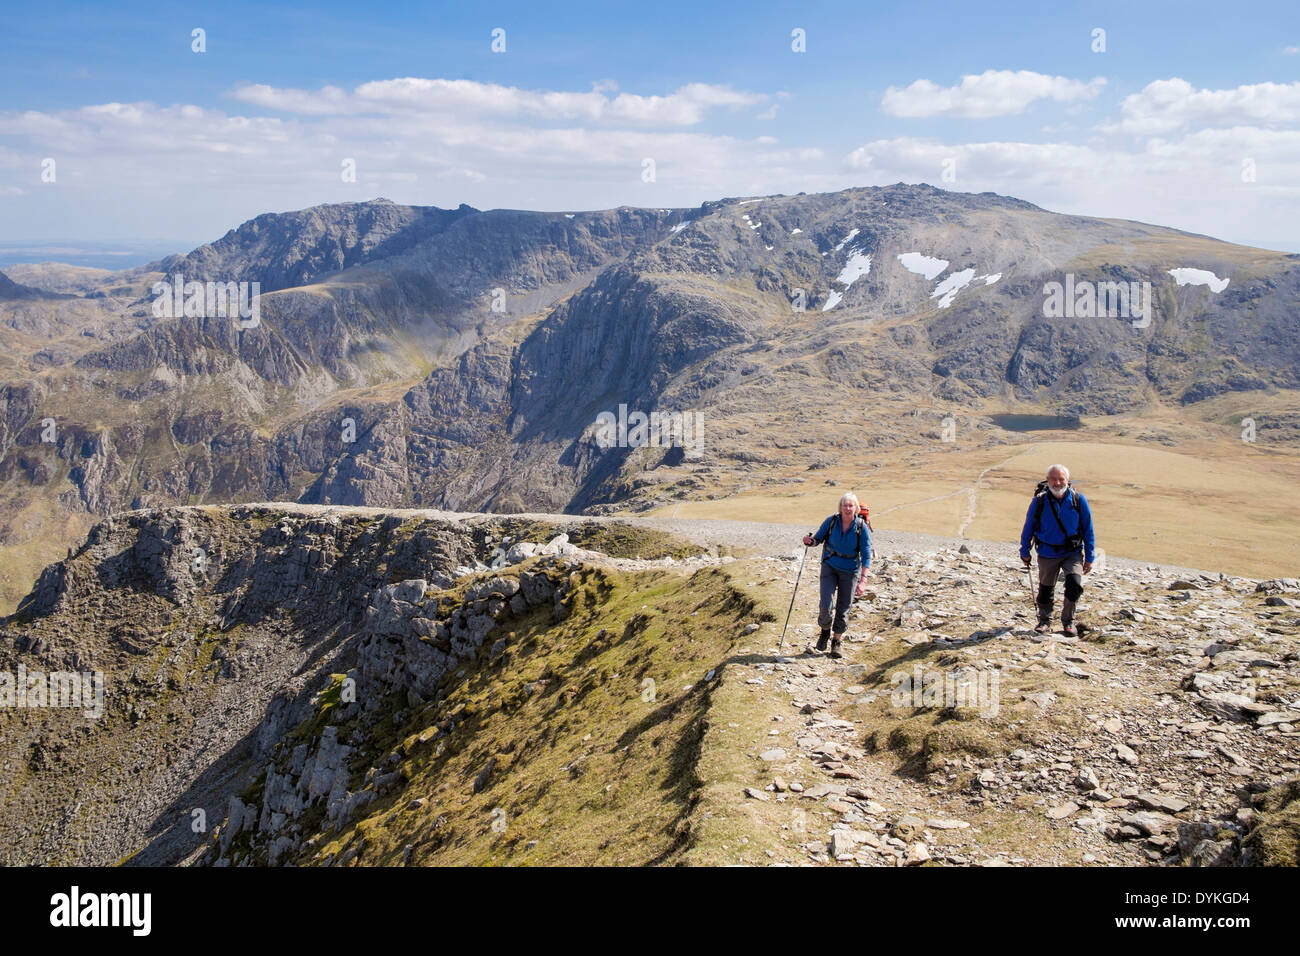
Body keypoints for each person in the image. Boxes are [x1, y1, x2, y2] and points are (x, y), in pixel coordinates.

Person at [1019, 464, 1095, 636]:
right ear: (1047, 480)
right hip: (1047, 552)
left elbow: (1088, 528)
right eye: (1053, 479)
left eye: (1061, 479)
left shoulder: (1078, 500)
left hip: (1072, 552)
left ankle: (1068, 621)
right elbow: (1028, 527)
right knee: (1046, 589)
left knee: (1074, 584)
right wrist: (1024, 551)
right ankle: (1044, 621)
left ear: (1068, 480)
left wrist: (1090, 557)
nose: (1058, 482)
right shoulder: (1039, 501)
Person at [802, 492, 871, 658]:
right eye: (845, 505)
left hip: (851, 570)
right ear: (840, 507)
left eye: (851, 505)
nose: (847, 508)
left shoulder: (861, 527)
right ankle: (825, 631)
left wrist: (863, 580)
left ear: (856, 508)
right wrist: (810, 541)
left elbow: (867, 554)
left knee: (843, 607)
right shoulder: (831, 521)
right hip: (830, 566)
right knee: (825, 604)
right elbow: (818, 539)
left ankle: (836, 642)